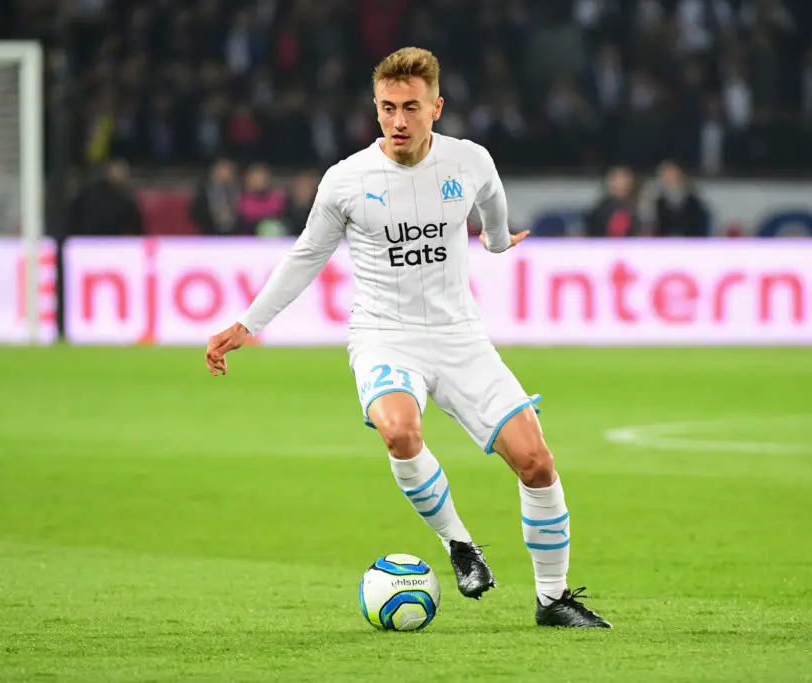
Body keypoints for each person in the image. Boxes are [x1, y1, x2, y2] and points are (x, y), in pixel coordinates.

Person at [204, 47, 611, 629]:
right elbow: (305, 257)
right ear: (376, 109)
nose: (398, 120)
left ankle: (553, 600)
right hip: (383, 336)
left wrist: (496, 242)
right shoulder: (346, 180)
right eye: (387, 107)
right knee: (399, 429)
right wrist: (248, 324)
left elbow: (493, 203)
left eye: (411, 108)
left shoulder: (468, 161)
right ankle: (460, 546)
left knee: (537, 461)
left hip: (460, 337)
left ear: (436, 108)